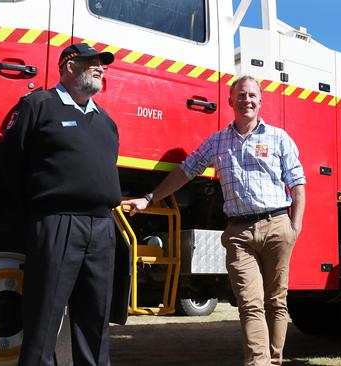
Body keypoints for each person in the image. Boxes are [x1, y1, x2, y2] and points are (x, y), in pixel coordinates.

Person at [123, 75, 306, 366]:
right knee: (249, 303)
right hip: (239, 233)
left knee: (276, 302)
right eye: (241, 95)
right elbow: (185, 171)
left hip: (276, 227)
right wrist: (149, 198)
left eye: (252, 95)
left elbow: (297, 184)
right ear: (231, 101)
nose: (247, 100)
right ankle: (258, 363)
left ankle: (274, 361)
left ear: (261, 101)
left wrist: (294, 228)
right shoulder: (217, 142)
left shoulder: (279, 138)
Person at [4, 43, 121, 366]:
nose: (100, 68)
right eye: (92, 62)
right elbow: (14, 163)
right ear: (69, 66)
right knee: (43, 319)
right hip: (57, 223)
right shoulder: (38, 105)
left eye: (102, 64)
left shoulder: (106, 122)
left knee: (95, 322)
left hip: (101, 229)